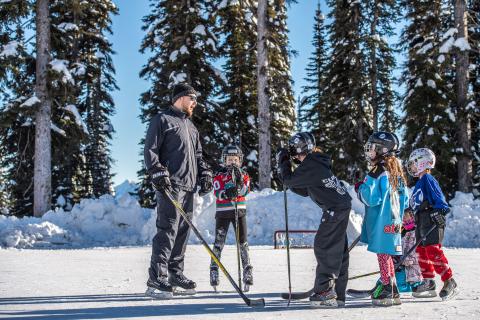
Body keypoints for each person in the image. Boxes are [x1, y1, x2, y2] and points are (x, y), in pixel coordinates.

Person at [144, 83, 213, 299]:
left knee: (183, 232)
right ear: (181, 97)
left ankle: (175, 274)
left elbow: (198, 156)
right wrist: (157, 172)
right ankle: (157, 277)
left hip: (189, 187)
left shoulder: (191, 127)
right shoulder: (162, 120)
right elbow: (150, 150)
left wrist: (205, 174)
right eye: (192, 98)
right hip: (170, 185)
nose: (195, 103)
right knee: (168, 230)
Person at [276, 132, 352, 308]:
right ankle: (337, 293)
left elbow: (290, 180)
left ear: (298, 150)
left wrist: (283, 161)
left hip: (335, 209)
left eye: (292, 151)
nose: (293, 155)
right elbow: (304, 188)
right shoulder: (316, 162)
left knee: (324, 246)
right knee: (338, 249)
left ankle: (325, 291)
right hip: (341, 206)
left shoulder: (311, 164)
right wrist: (286, 176)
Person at [355, 131, 409, 306]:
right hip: (394, 221)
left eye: (372, 149)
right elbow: (405, 198)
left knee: (383, 255)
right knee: (387, 254)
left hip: (382, 221)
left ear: (382, 150)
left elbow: (372, 197)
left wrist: (359, 188)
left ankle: (387, 287)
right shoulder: (396, 172)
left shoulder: (378, 171)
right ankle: (392, 287)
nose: (369, 153)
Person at [407, 148, 459, 301]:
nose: (412, 167)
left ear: (423, 162)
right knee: (422, 251)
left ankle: (450, 281)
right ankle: (429, 282)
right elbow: (417, 204)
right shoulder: (419, 183)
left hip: (431, 219)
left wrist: (439, 212)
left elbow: (440, 200)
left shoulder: (428, 179)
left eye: (414, 163)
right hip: (421, 221)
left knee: (432, 250)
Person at [209, 144, 252, 291]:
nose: (232, 162)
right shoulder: (219, 175)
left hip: (239, 212)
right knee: (219, 242)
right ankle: (214, 268)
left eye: (235, 159)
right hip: (223, 213)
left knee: (243, 242)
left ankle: (247, 269)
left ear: (239, 161)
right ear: (224, 161)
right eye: (229, 160)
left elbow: (246, 190)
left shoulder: (244, 174)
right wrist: (226, 193)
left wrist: (239, 186)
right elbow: (216, 191)